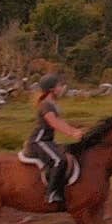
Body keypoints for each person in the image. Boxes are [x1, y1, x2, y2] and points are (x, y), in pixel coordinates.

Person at [21, 73, 84, 205]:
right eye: (59, 86)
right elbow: (54, 122)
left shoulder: (53, 104)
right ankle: (51, 194)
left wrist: (74, 130)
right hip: (39, 142)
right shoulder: (46, 105)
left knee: (67, 155)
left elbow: (60, 121)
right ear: (51, 89)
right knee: (58, 160)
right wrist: (72, 133)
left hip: (48, 141)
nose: (62, 88)